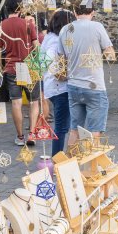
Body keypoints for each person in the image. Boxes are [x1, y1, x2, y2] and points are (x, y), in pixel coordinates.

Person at [61, 1, 115, 145]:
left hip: (73, 85)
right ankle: (92, 167)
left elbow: (60, 59)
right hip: (94, 87)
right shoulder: (97, 27)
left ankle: (69, 165)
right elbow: (110, 54)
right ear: (93, 12)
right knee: (94, 131)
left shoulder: (65, 29)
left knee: (74, 130)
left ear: (74, 11)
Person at [0, 8, 39, 146]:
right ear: (19, 9)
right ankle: (32, 134)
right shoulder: (27, 24)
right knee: (33, 102)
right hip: (28, 66)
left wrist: (0, 68)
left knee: (16, 102)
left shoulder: (2, 26)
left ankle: (20, 137)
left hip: (11, 67)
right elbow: (36, 47)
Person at [43, 9, 74, 156]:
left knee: (62, 125)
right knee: (61, 127)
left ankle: (58, 159)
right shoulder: (57, 41)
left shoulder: (48, 37)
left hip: (51, 88)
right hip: (59, 88)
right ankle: (57, 161)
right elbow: (55, 68)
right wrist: (64, 75)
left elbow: (40, 63)